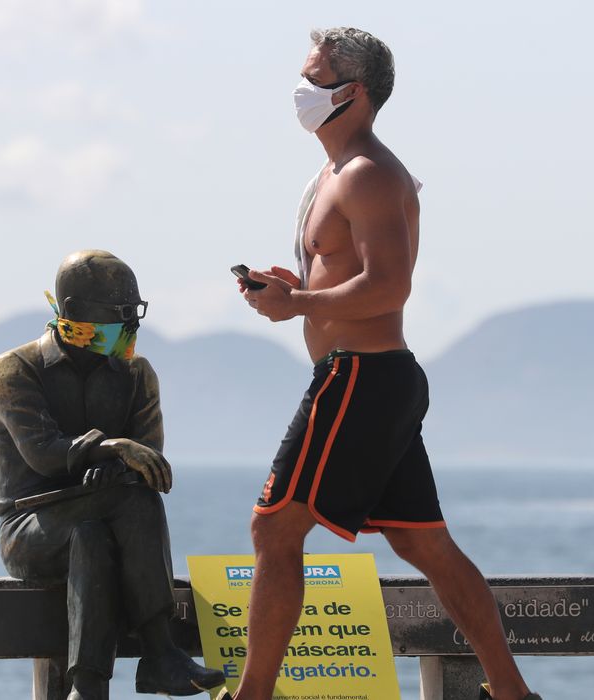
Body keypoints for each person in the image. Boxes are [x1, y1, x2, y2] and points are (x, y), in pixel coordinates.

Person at [225, 29, 541, 700]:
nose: (301, 90)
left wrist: (299, 302)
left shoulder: (369, 173)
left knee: (274, 526)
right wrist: (294, 287)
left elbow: (390, 286)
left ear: (353, 93)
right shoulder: (333, 174)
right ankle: (512, 694)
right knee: (423, 543)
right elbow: (348, 273)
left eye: (315, 78)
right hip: (375, 377)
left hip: (359, 376)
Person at [0, 250, 224, 700]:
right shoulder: (14, 370)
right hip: (29, 529)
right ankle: (160, 654)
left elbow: (149, 463)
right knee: (128, 504)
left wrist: (111, 471)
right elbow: (42, 454)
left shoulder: (136, 373)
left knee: (93, 534)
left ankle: (90, 686)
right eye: (117, 317)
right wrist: (111, 446)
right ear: (72, 313)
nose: (129, 327)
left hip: (98, 521)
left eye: (133, 314)